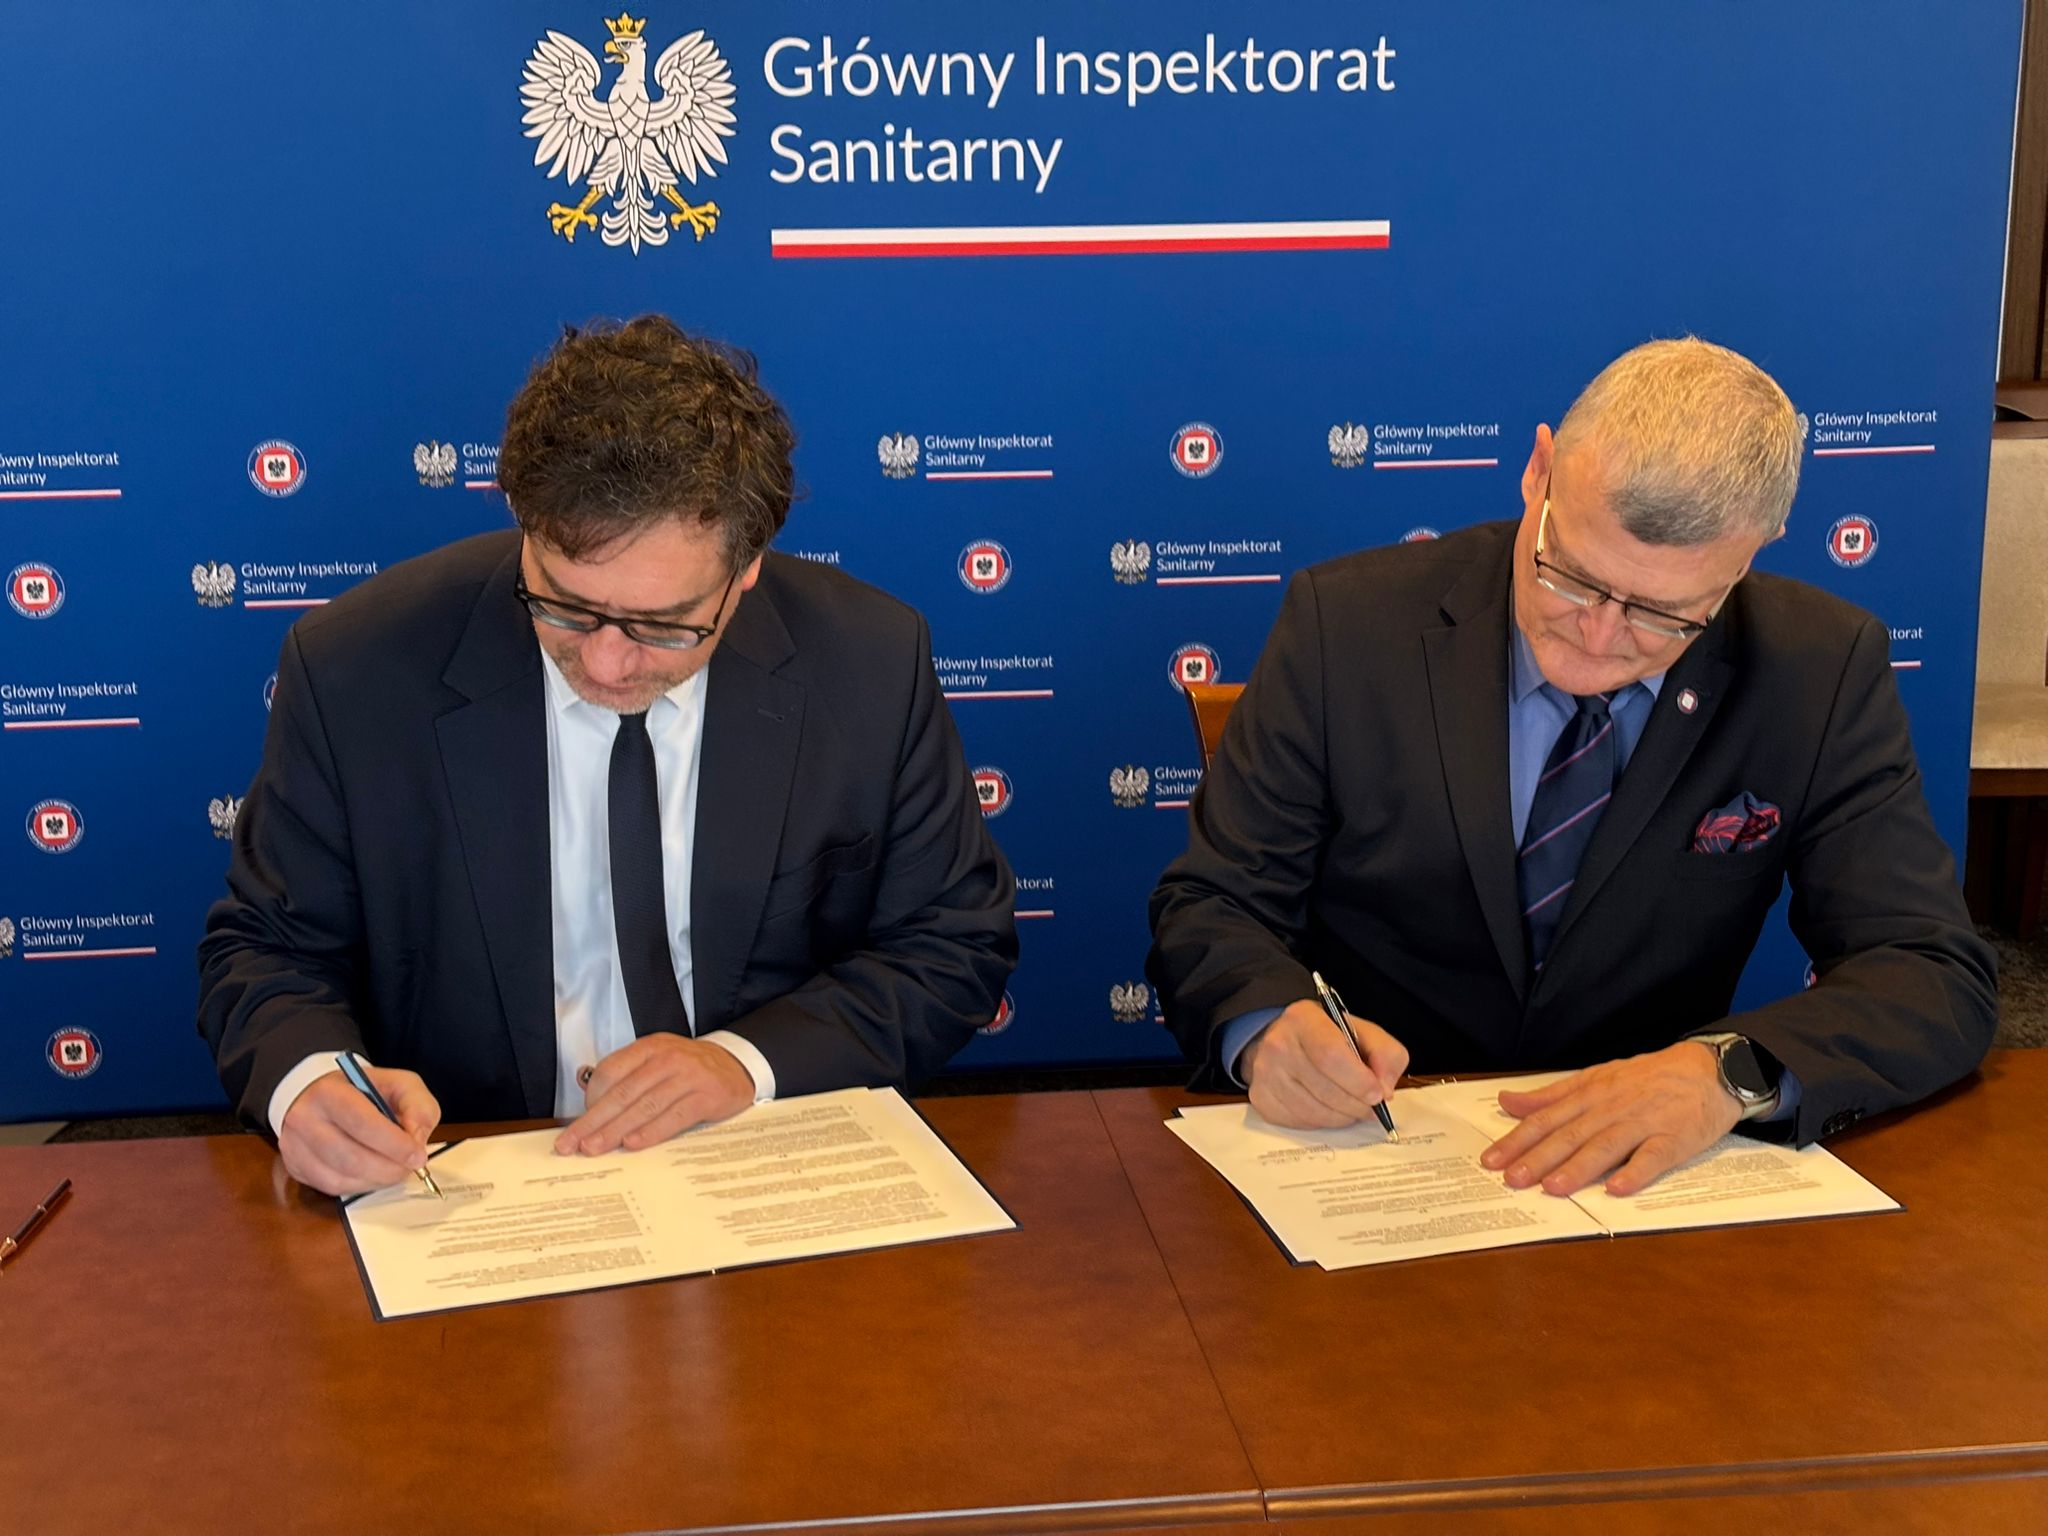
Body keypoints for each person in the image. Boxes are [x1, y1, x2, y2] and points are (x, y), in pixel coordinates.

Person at [1148, 337, 1996, 1197]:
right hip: (1373, 1143)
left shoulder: (1819, 669)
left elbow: (1929, 971)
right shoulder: (1348, 625)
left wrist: (1724, 1076)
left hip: (1643, 1180)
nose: (1596, 635)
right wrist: (1266, 1026)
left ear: (1751, 554)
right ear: (1539, 471)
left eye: (1663, 614)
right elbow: (1215, 903)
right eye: (1571, 575)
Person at [199, 316, 1017, 1195]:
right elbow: (268, 949)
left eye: (663, 625)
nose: (606, 663)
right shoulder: (357, 667)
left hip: (759, 1167)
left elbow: (952, 941)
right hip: (471, 1183)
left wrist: (744, 1064)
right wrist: (307, 1083)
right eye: (564, 605)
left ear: (747, 569)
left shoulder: (869, 661)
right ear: (524, 526)